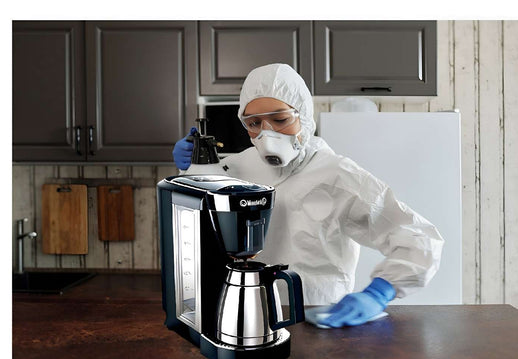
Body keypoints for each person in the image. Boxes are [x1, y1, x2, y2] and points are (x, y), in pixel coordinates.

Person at [173, 63, 444, 328]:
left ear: (303, 114)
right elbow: (199, 212)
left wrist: (379, 293)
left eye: (280, 120)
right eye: (254, 123)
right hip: (249, 316)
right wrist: (190, 166)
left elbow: (420, 239)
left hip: (320, 317)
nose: (266, 134)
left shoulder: (338, 175)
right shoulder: (239, 166)